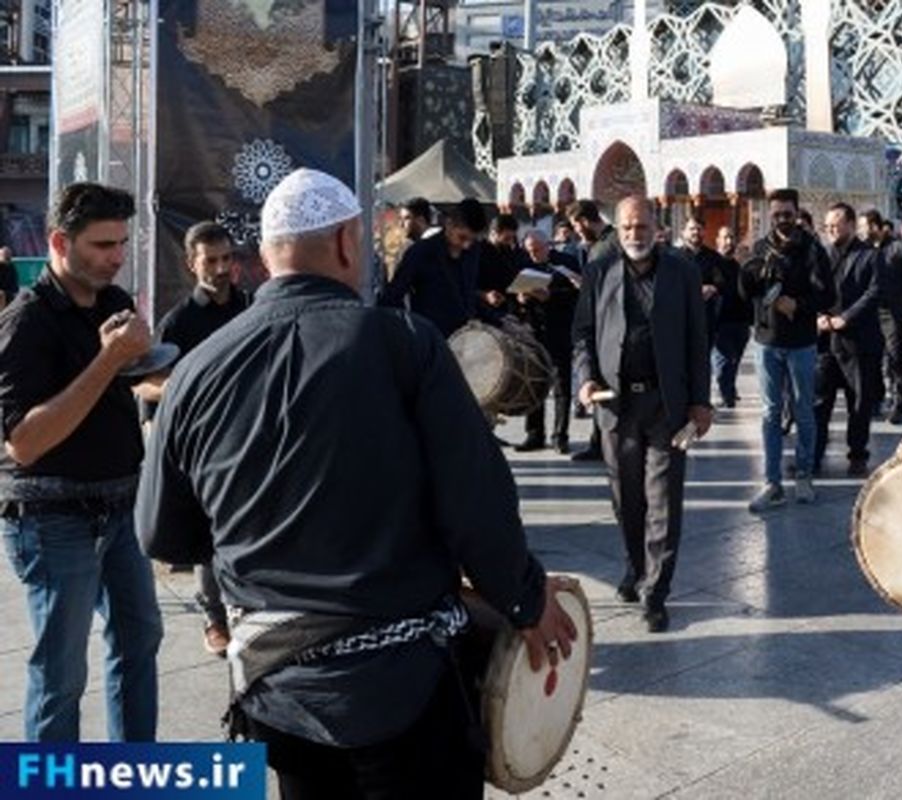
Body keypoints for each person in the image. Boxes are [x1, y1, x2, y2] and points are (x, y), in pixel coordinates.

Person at [136, 169, 575, 797]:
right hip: (405, 687)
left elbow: (163, 533)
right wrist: (526, 600)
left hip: (277, 693)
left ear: (264, 255)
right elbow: (476, 502)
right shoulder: (404, 343)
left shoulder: (195, 372)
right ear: (348, 242)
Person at [0, 182, 163, 741]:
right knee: (61, 673)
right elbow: (24, 442)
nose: (116, 257)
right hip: (53, 519)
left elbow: (134, 383)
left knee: (140, 640)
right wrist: (108, 358)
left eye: (121, 243)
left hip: (120, 507)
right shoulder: (26, 321)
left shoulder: (113, 300)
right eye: (101, 245)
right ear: (59, 242)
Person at [573, 195, 712, 632]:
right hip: (616, 406)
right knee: (625, 499)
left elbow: (696, 339)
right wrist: (584, 379)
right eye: (628, 228)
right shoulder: (599, 271)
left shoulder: (682, 273)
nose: (635, 235)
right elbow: (582, 335)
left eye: (642, 226)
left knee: (664, 501)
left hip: (666, 407)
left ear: (657, 226)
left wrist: (701, 402)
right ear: (617, 229)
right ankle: (636, 568)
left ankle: (656, 590)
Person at [150, 222, 250, 656]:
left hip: (253, 439)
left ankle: (246, 608)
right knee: (208, 535)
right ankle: (213, 619)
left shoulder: (253, 308)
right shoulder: (178, 323)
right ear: (191, 263)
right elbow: (158, 395)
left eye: (227, 258)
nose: (222, 267)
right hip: (204, 449)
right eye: (211, 260)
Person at [740, 188, 835, 510]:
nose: (782, 219)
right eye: (777, 213)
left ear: (797, 213)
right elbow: (747, 292)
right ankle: (772, 482)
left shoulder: (812, 249)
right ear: (771, 214)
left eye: (787, 213)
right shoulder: (760, 248)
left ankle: (804, 475)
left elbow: (828, 296)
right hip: (767, 342)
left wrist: (799, 304)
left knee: (803, 410)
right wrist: (748, 275)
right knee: (769, 413)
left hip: (801, 343)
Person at [814, 203, 883, 477]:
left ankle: (857, 454)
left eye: (836, 224)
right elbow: (813, 289)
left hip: (858, 343)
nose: (830, 228)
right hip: (826, 343)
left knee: (859, 403)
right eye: (828, 224)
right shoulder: (822, 255)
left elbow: (875, 292)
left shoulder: (870, 256)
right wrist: (818, 316)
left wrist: (846, 318)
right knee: (819, 402)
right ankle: (814, 455)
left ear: (851, 225)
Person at [378, 198, 487, 338]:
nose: (467, 246)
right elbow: (392, 297)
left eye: (472, 240)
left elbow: (468, 293)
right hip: (430, 340)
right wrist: (409, 332)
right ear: (448, 224)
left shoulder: (473, 251)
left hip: (465, 340)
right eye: (462, 238)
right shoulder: (421, 252)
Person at [515, 228, 581, 454]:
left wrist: (551, 295)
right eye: (529, 251)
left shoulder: (566, 261)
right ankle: (534, 433)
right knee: (533, 382)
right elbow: (515, 290)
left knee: (562, 384)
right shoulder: (523, 262)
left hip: (559, 328)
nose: (533, 255)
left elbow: (578, 294)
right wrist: (522, 298)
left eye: (537, 250)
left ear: (547, 246)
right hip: (533, 330)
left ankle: (559, 435)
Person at [567, 199, 618, 462]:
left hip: (605, 325)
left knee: (600, 381)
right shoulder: (609, 242)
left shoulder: (603, 248)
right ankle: (599, 441)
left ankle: (602, 444)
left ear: (586, 221)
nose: (576, 231)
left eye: (577, 225)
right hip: (609, 322)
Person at [861, 209, 902, 423]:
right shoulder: (864, 249)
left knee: (895, 358)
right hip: (869, 311)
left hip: (894, 312)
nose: (861, 231)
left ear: (875, 226)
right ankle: (876, 398)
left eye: (864, 226)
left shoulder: (898, 248)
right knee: (872, 358)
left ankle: (898, 403)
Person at [711, 225, 752, 408]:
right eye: (725, 238)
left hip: (740, 321)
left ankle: (729, 389)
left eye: (731, 238)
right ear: (718, 241)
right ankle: (726, 394)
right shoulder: (712, 265)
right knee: (724, 360)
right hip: (720, 322)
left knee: (735, 359)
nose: (729, 242)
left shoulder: (739, 266)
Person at [678, 215, 724, 348]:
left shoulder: (713, 257)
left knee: (702, 363)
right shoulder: (673, 257)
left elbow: (721, 282)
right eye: (691, 229)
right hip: (680, 319)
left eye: (699, 229)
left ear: (704, 231)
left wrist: (712, 288)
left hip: (705, 321)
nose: (695, 232)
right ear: (683, 232)